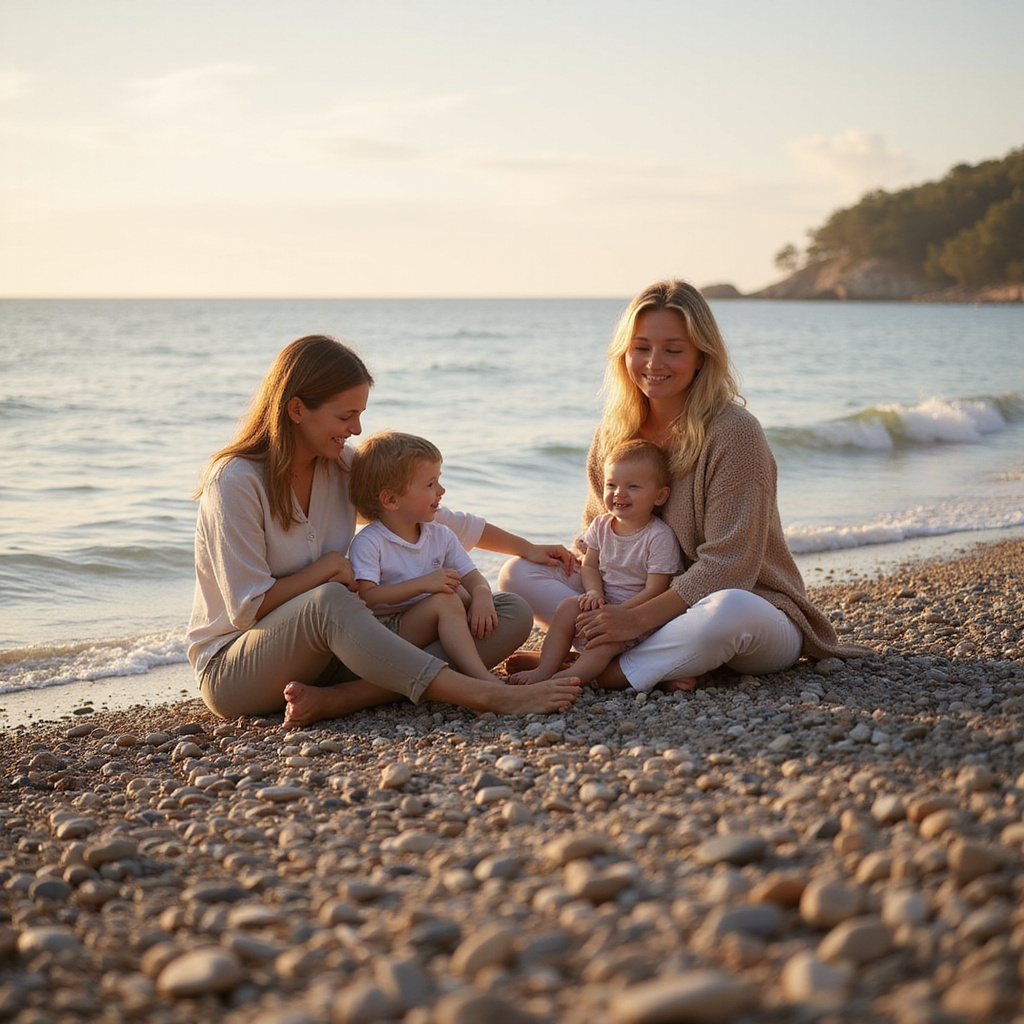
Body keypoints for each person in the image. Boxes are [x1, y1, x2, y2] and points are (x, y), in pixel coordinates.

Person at [188, 334, 581, 727]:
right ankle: (486, 694)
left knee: (507, 612)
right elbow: (246, 608)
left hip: (331, 655)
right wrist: (326, 568)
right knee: (331, 600)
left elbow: (423, 515)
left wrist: (525, 548)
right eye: (345, 417)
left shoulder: (340, 466)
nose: (357, 429)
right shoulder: (237, 480)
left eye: (359, 414)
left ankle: (339, 699)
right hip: (236, 667)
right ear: (296, 410)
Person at [499, 279, 870, 693]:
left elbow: (730, 567)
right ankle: (649, 659)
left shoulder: (735, 433)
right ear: (625, 353)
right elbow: (596, 539)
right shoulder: (614, 432)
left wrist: (636, 619)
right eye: (641, 347)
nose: (654, 362)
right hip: (633, 603)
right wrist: (599, 599)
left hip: (750, 609)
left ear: (700, 357)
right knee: (519, 572)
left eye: (673, 349)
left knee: (729, 611)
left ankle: (600, 670)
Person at [509, 439, 682, 687]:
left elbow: (655, 589)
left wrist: (621, 613)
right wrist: (593, 592)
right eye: (611, 485)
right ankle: (545, 668)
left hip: (637, 616)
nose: (619, 493)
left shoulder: (658, 536)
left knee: (603, 645)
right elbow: (589, 566)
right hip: (604, 603)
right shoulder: (601, 525)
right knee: (568, 607)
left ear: (660, 496)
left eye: (632, 486)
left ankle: (567, 678)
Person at [348, 430, 505, 683]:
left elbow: (473, 577)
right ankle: (481, 678)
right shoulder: (369, 542)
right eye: (430, 484)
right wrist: (424, 584)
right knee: (448, 598)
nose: (441, 490)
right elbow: (368, 597)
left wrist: (483, 596)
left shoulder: (441, 535)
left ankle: (438, 667)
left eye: (438, 480)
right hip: (389, 631)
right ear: (391, 499)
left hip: (432, 621)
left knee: (508, 607)